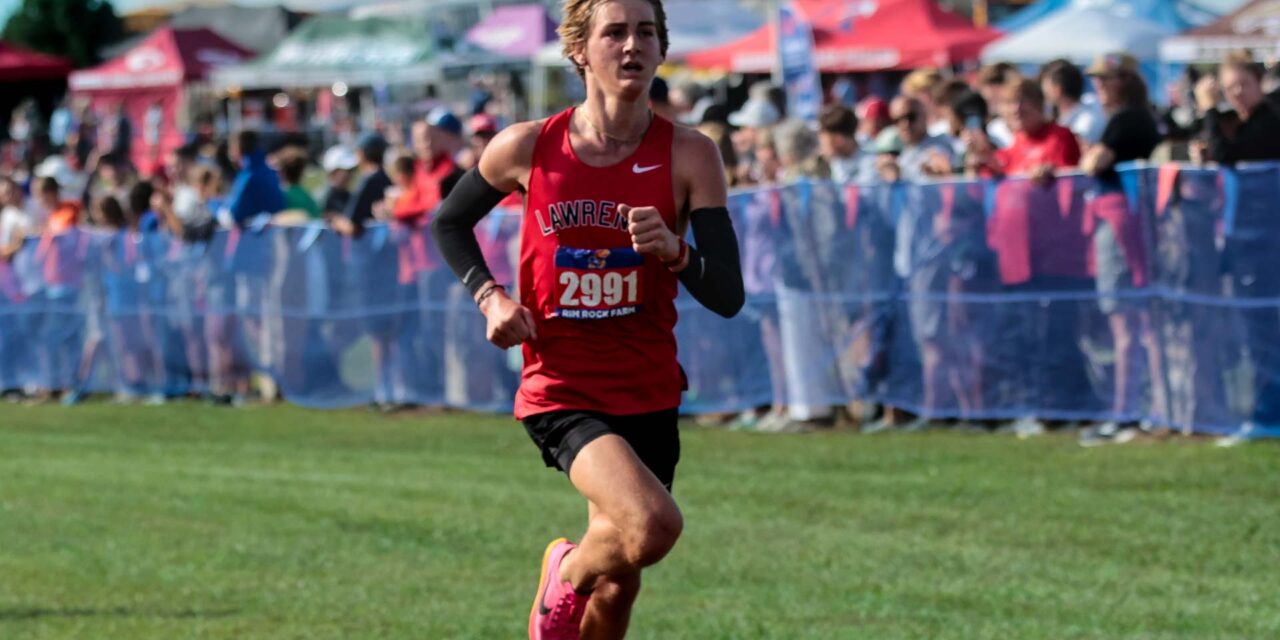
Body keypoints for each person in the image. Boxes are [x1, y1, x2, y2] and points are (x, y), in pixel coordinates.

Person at [431, 1, 743, 637]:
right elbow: (449, 221)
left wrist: (677, 252)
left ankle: (579, 579)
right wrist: (490, 295)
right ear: (579, 50)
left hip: (648, 388)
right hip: (563, 387)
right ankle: (566, 572)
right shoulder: (528, 145)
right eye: (616, 32)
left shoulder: (690, 155)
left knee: (621, 580)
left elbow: (729, 293)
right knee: (652, 525)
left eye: (646, 32)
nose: (633, 45)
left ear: (661, 48)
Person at [1079, 53, 1165, 447]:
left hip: (1124, 229)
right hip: (1129, 228)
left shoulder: (1129, 119)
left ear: (1125, 81)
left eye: (1106, 80)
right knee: (1133, 325)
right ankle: (1140, 408)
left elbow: (1094, 163)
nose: (1098, 87)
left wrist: (1088, 153)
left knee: (1129, 325)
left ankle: (1130, 410)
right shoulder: (1134, 117)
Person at [1040, 59, 1106, 146]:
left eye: (1046, 87)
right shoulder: (1092, 105)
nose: (1043, 92)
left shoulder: (1084, 125)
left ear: (1057, 90)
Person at [817, 104, 873, 185]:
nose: (822, 149)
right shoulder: (832, 164)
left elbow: (856, 196)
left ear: (839, 140)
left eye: (824, 143)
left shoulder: (870, 165)